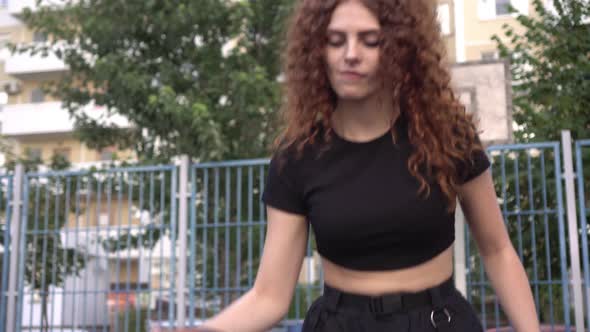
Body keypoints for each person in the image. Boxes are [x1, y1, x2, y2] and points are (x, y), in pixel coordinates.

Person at [198, 0, 540, 331]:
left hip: (437, 322)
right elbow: (268, 297)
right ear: (317, 51)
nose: (350, 54)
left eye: (370, 40)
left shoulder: (445, 136)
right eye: (335, 40)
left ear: (400, 47)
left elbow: (497, 250)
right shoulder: (297, 158)